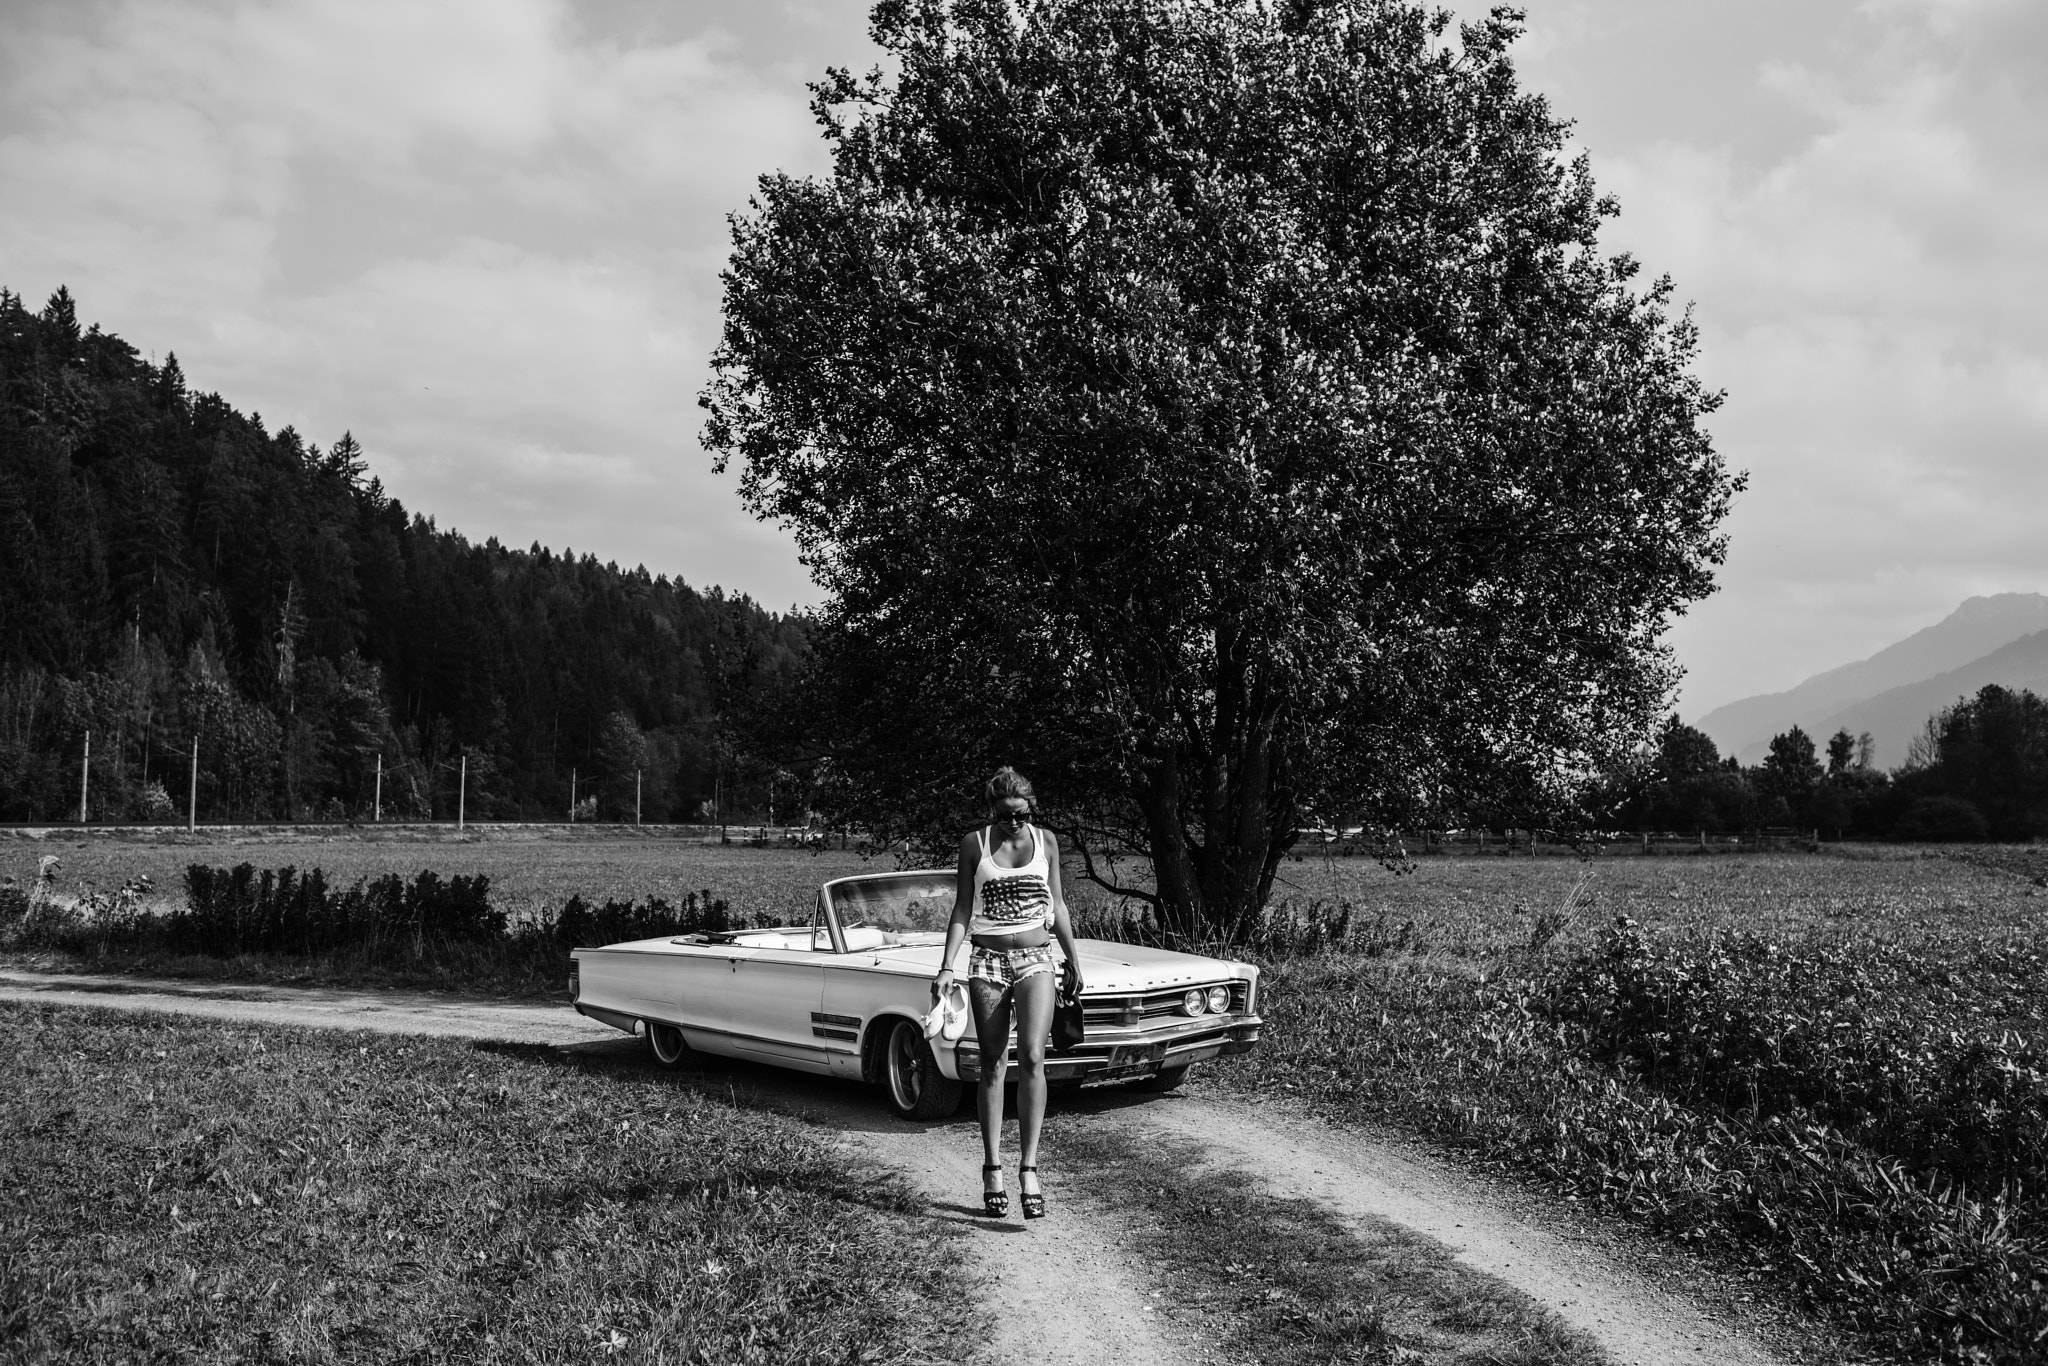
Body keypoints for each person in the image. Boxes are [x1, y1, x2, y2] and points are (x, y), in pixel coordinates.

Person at [932, 767, 1083, 1219]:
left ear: (1030, 809)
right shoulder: (974, 844)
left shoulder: (1047, 842)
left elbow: (1056, 905)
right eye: (1005, 816)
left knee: (1034, 1056)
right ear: (992, 811)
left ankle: (1030, 1169)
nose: (1014, 823)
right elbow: (962, 908)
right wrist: (946, 967)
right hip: (987, 961)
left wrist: (1073, 957)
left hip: (1037, 957)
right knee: (993, 1061)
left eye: (1021, 815)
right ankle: (993, 1166)